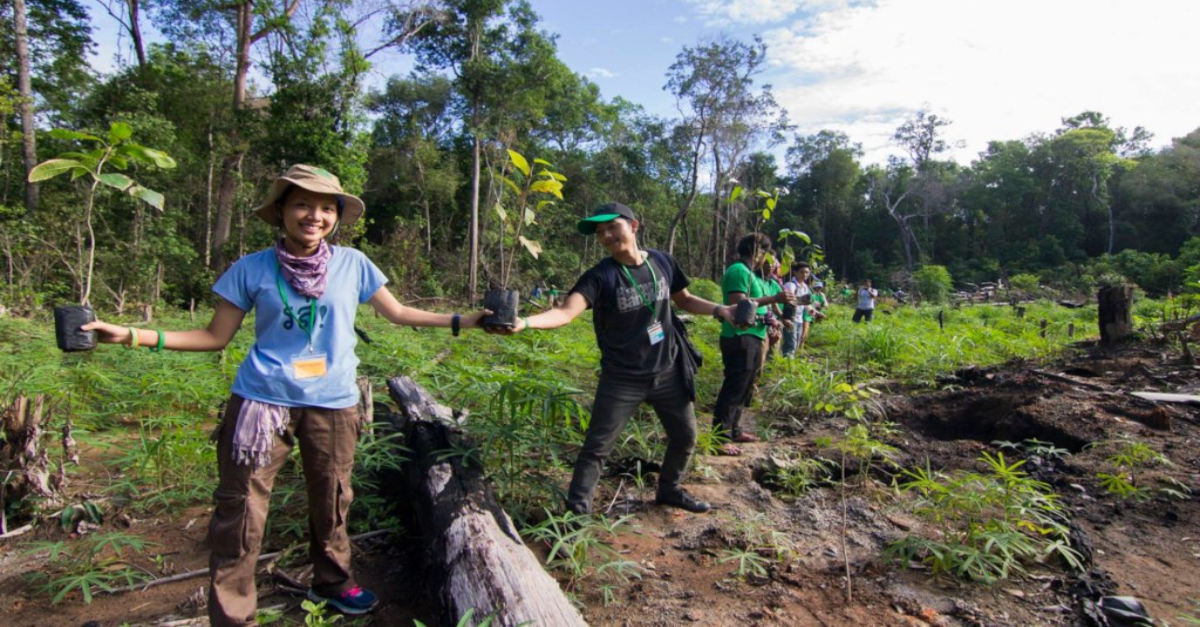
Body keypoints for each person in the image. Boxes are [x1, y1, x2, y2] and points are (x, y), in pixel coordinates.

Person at [81, 164, 490, 626]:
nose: (313, 215)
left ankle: (333, 583)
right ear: (280, 211)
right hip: (260, 404)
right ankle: (235, 614)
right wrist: (132, 334)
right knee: (241, 509)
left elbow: (397, 313)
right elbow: (213, 336)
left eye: (325, 207)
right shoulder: (251, 268)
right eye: (302, 204)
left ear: (336, 216)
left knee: (333, 498)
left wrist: (463, 320)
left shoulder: (353, 264)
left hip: (334, 403)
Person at [494, 202, 735, 516]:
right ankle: (576, 517)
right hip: (622, 379)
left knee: (686, 437)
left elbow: (685, 300)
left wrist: (722, 310)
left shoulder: (663, 261)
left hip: (668, 371)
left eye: (612, 227)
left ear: (633, 226)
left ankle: (669, 490)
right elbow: (566, 312)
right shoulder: (599, 277)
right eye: (600, 232)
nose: (606, 235)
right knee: (596, 449)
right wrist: (525, 322)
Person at [714, 233, 795, 455]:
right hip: (739, 336)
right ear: (758, 251)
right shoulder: (739, 271)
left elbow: (760, 307)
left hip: (755, 335)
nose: (769, 259)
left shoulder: (754, 275)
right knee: (735, 385)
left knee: (747, 384)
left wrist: (774, 319)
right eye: (767, 253)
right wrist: (773, 299)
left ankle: (735, 429)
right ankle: (720, 436)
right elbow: (738, 304)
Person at [780, 263, 812, 358]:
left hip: (799, 319)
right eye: (802, 272)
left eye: (806, 272)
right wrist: (804, 301)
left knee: (797, 343)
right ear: (795, 272)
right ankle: (786, 365)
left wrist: (811, 310)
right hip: (790, 318)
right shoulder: (791, 285)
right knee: (790, 345)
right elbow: (789, 302)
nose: (804, 275)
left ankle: (790, 364)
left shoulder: (805, 287)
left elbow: (807, 304)